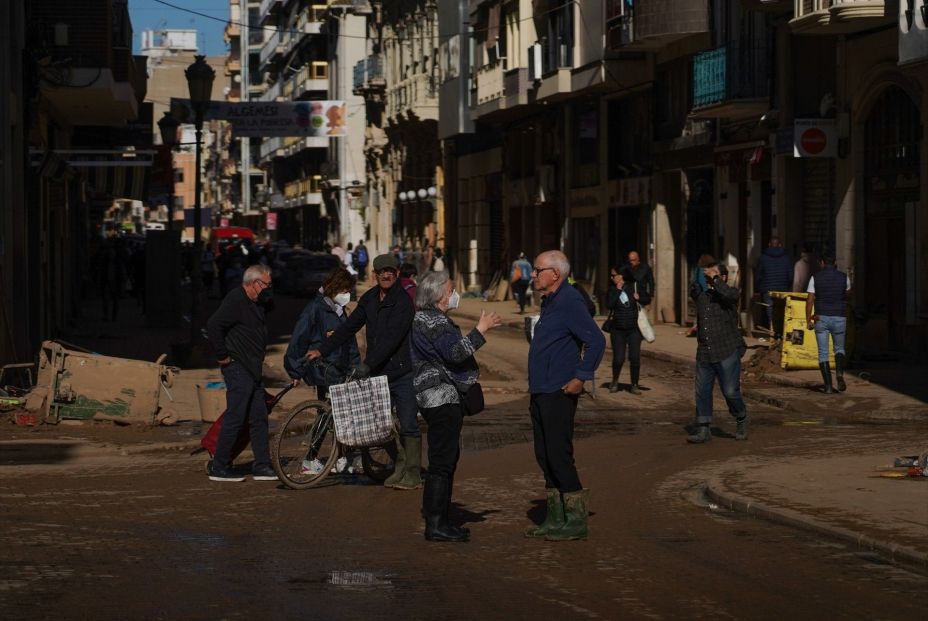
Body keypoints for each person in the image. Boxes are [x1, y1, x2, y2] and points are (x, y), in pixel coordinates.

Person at [306, 254, 422, 490]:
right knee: (380, 425)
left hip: (401, 373)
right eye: (381, 272)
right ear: (375, 275)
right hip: (378, 375)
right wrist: (322, 350)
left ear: (397, 273)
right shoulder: (370, 298)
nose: (386, 275)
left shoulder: (403, 303)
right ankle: (400, 464)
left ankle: (413, 473)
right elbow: (348, 327)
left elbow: (391, 340)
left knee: (408, 423)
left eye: (390, 271)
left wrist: (367, 364)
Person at [411, 270, 502, 542]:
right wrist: (480, 330)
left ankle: (441, 521)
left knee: (446, 458)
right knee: (442, 461)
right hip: (441, 398)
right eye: (450, 290)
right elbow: (455, 353)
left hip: (436, 397)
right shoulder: (432, 320)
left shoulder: (429, 318)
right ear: (439, 295)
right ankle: (436, 524)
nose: (453, 295)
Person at [525, 250, 605, 541]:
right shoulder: (550, 302)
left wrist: (581, 377)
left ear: (555, 274)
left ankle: (575, 520)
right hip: (541, 389)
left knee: (559, 455)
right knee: (544, 455)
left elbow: (595, 340)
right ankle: (554, 516)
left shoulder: (569, 301)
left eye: (537, 270)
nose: (533, 275)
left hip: (559, 390)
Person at [205, 264, 277, 482]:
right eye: (266, 285)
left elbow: (270, 307)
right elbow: (213, 325)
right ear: (254, 284)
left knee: (259, 417)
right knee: (236, 416)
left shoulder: (258, 302)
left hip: (253, 369)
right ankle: (219, 466)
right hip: (237, 367)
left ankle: (262, 465)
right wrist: (223, 357)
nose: (269, 289)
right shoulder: (236, 299)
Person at [285, 267, 360, 474]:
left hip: (340, 368)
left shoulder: (337, 310)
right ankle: (311, 459)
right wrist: (295, 371)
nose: (347, 294)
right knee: (328, 414)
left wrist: (356, 366)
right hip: (324, 370)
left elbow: (349, 341)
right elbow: (297, 341)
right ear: (334, 287)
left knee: (339, 414)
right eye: (344, 289)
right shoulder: (315, 310)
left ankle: (342, 457)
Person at [686, 255, 749, 444]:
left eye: (714, 275)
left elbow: (730, 295)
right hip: (705, 352)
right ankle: (703, 428)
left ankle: (741, 417)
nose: (709, 279)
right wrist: (701, 270)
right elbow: (693, 288)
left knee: (730, 391)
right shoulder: (702, 296)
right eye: (708, 276)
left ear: (722, 277)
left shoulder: (730, 294)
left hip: (727, 349)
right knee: (702, 391)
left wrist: (715, 278)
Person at [806, 252, 851, 394]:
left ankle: (828, 386)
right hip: (839, 316)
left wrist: (808, 319)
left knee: (823, 353)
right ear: (836, 263)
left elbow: (810, 300)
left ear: (822, 263)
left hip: (821, 318)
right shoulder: (844, 277)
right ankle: (839, 374)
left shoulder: (815, 278)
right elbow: (848, 295)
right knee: (839, 349)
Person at [606, 267, 650, 394]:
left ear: (621, 276)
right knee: (618, 358)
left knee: (635, 358)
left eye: (614, 275)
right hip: (617, 330)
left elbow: (647, 299)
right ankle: (615, 381)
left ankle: (634, 384)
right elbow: (609, 304)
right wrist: (618, 290)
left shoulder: (634, 287)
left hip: (633, 330)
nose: (612, 277)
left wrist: (639, 298)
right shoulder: (612, 290)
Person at [754, 237, 792, 331]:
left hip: (767, 289)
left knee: (770, 313)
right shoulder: (786, 258)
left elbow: (758, 275)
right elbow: (790, 275)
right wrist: (787, 286)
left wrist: (759, 288)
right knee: (782, 312)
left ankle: (772, 334)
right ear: (780, 245)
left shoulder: (763, 258)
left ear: (769, 245)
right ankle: (780, 334)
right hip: (782, 290)